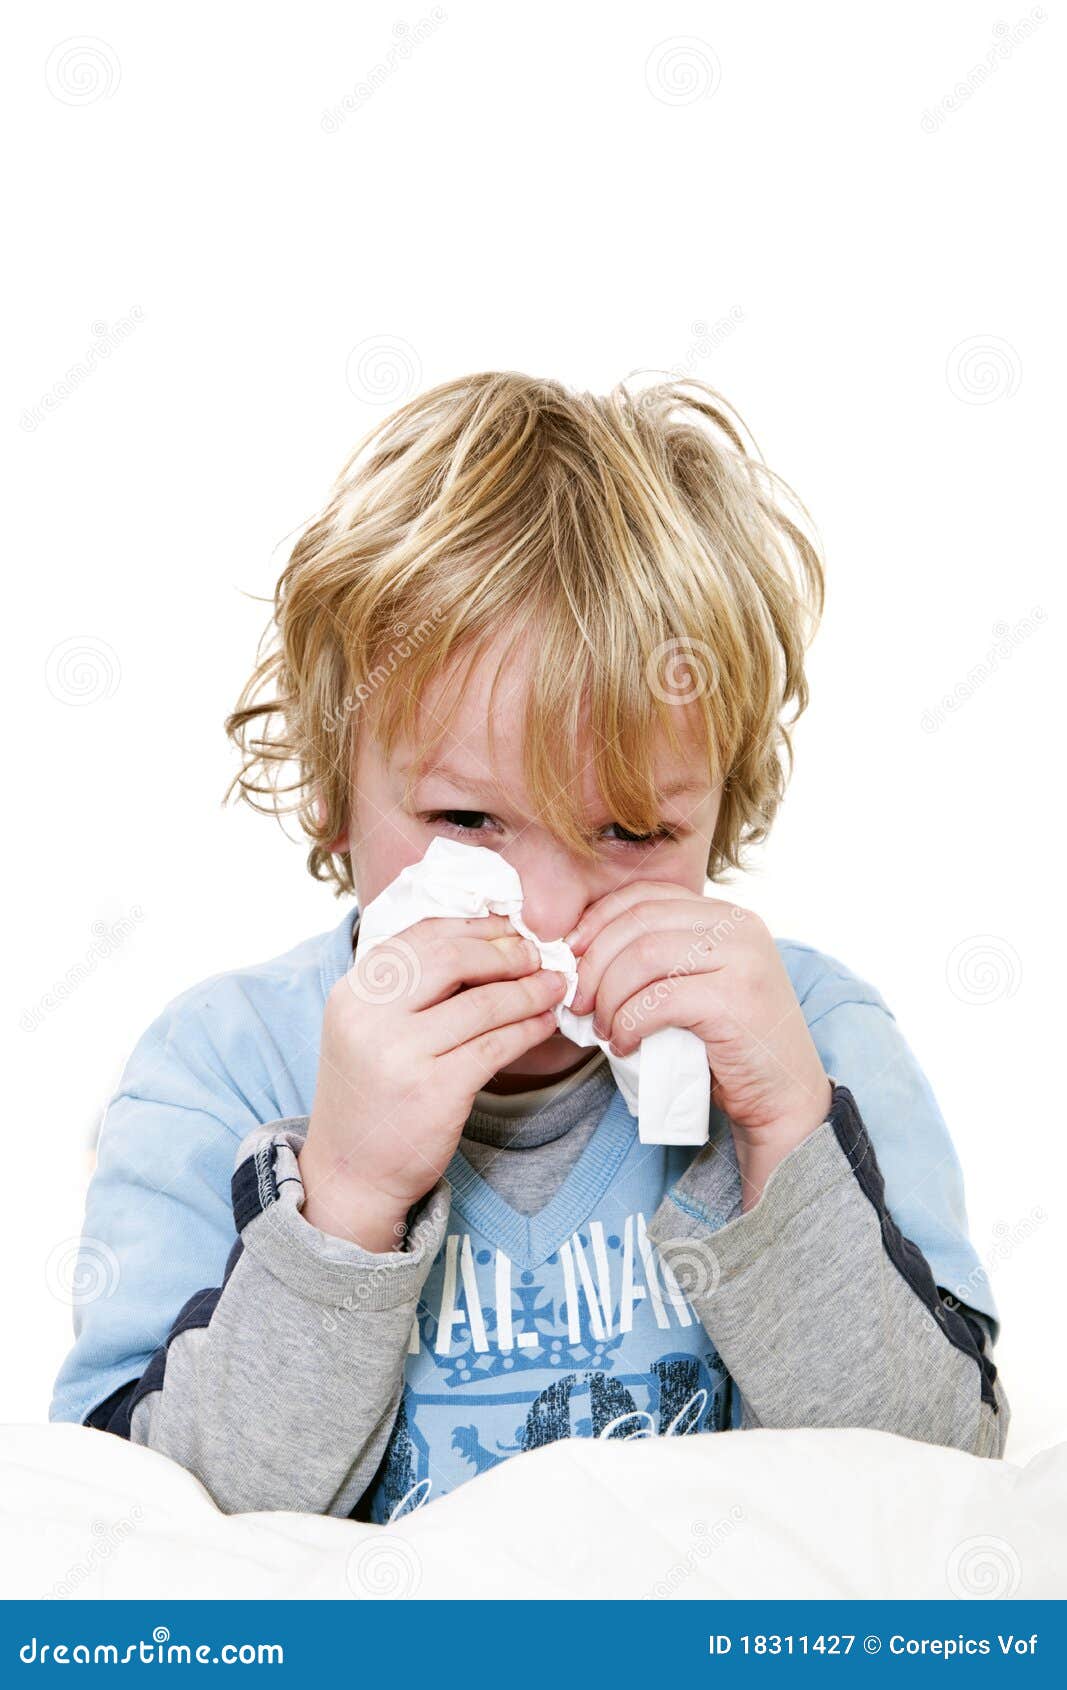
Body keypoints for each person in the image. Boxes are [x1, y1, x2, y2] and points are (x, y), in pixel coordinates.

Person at [50, 371, 1007, 1522]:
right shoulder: (218, 1068)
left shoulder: (817, 1042)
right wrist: (344, 1198)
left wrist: (785, 1144)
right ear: (332, 795)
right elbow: (121, 1537)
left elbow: (944, 1492)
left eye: (631, 831)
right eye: (466, 822)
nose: (546, 914)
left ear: (720, 807)